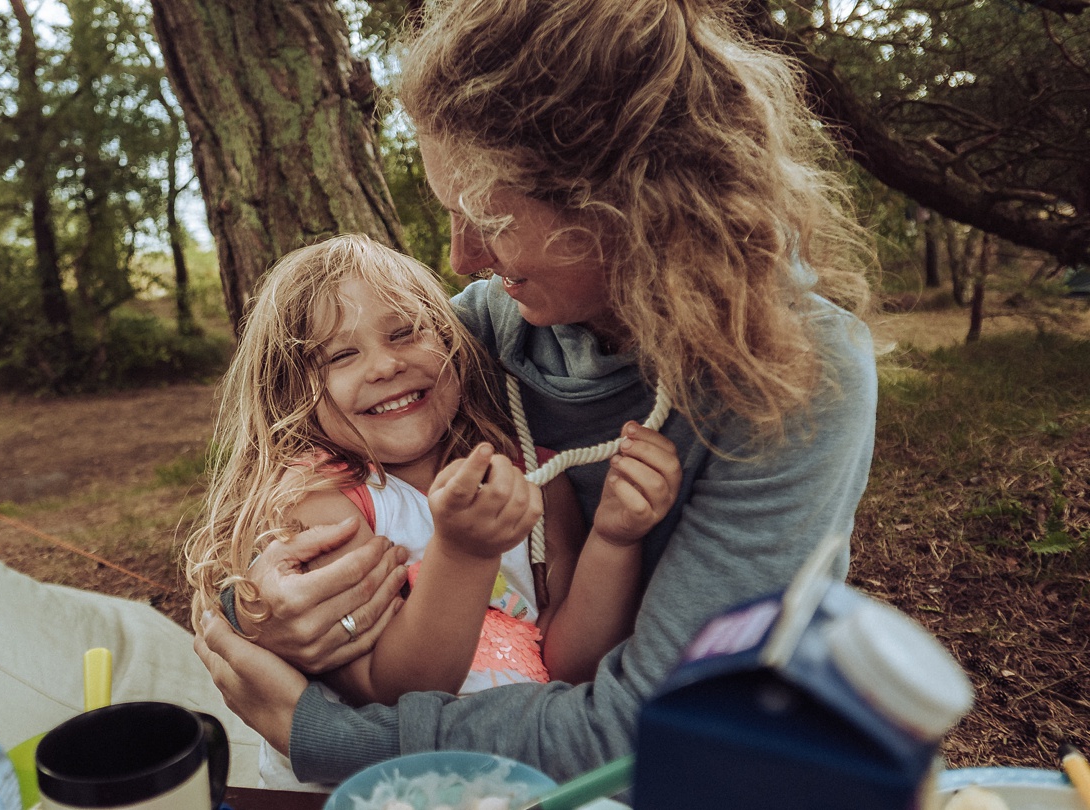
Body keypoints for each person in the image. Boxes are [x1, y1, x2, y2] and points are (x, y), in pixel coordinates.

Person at [193, 0, 879, 785]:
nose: (461, 258)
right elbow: (281, 464)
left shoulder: (792, 374)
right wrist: (252, 606)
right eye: (451, 215)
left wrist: (326, 734)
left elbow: (651, 727)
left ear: (623, 202)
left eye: (488, 216)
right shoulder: (479, 336)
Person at [185, 234, 683, 787]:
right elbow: (395, 690)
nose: (385, 365)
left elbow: (571, 666)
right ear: (291, 392)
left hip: (523, 771)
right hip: (371, 789)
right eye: (342, 355)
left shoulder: (527, 474)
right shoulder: (322, 504)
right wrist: (465, 552)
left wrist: (615, 540)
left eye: (404, 332)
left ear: (452, 341)